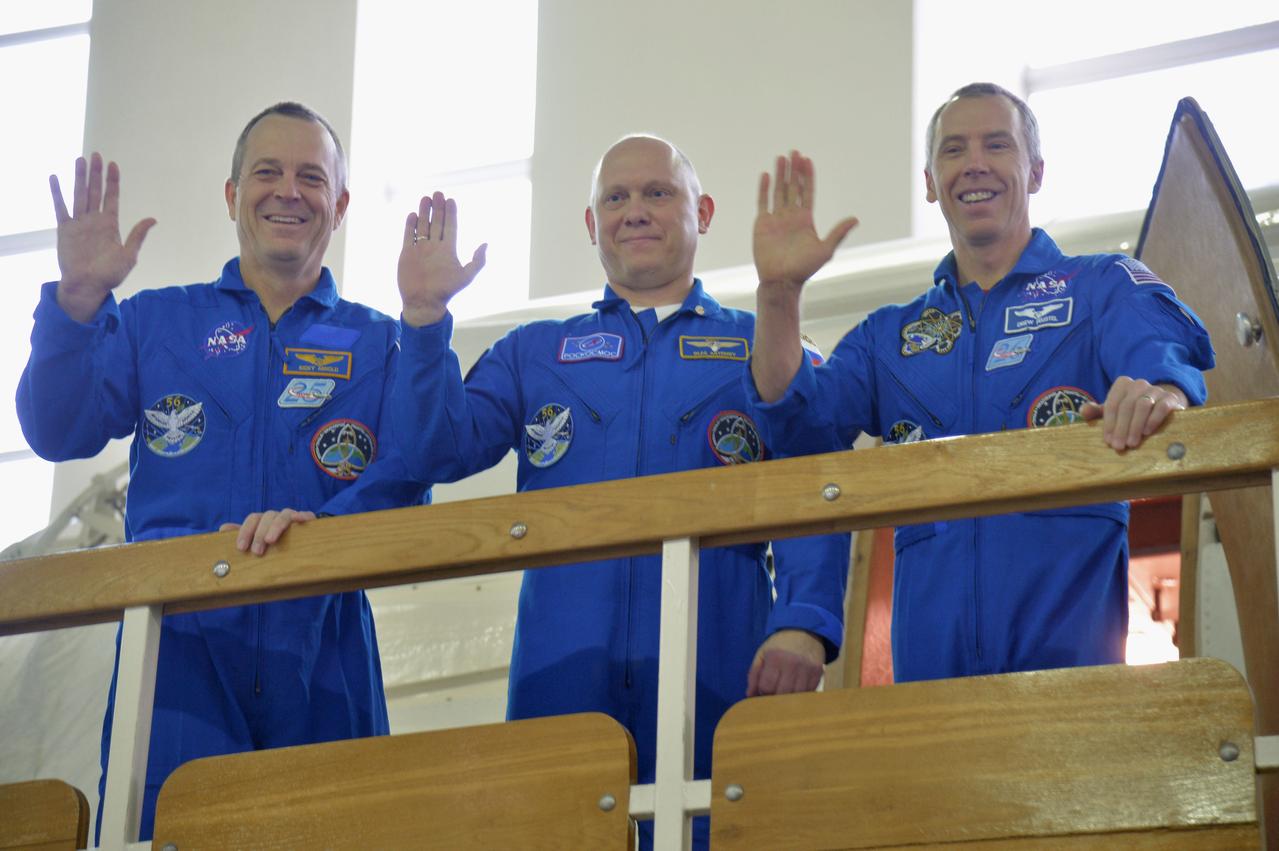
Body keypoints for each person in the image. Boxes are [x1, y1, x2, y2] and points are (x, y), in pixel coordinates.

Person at [392, 134, 849, 848]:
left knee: (723, 834)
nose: (635, 210)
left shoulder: (763, 344)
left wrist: (804, 619)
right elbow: (434, 450)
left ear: (701, 210)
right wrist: (423, 321)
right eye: (616, 197)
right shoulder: (531, 352)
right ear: (589, 223)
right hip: (561, 664)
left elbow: (812, 467)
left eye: (657, 193)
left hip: (720, 660)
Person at [17, 102, 426, 840]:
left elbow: (408, 474)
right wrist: (75, 306)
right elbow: (56, 427)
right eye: (266, 172)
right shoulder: (155, 322)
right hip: (175, 648)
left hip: (326, 644)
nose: (287, 191)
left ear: (339, 203)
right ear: (231, 193)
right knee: (169, 832)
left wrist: (322, 531)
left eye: (310, 176)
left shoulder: (380, 341)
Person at [747, 82, 1214, 683]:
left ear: (1036, 171)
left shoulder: (1101, 287)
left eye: (997, 145)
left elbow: (1167, 362)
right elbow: (796, 423)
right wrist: (779, 295)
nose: (974, 164)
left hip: (1074, 679)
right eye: (953, 150)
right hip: (932, 688)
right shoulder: (888, 336)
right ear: (928, 181)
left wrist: (1161, 392)